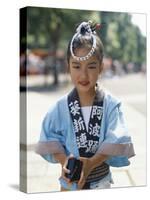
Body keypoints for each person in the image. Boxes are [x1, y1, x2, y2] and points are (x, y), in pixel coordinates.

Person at [36, 21, 135, 191]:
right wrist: (63, 160)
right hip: (69, 182)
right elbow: (50, 137)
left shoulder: (111, 105)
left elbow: (117, 137)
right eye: (76, 66)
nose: (83, 74)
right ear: (68, 67)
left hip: (101, 182)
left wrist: (92, 162)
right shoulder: (60, 107)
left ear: (101, 67)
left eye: (91, 66)